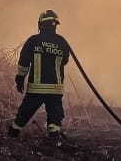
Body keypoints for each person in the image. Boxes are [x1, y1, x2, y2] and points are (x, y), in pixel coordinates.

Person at [8, 10, 73, 140]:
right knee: (55, 116)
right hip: (55, 89)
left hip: (36, 88)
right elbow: (64, 61)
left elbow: (24, 63)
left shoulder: (33, 41)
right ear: (55, 25)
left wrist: (20, 79)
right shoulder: (62, 42)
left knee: (24, 113)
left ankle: (11, 137)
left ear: (40, 25)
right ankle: (53, 139)